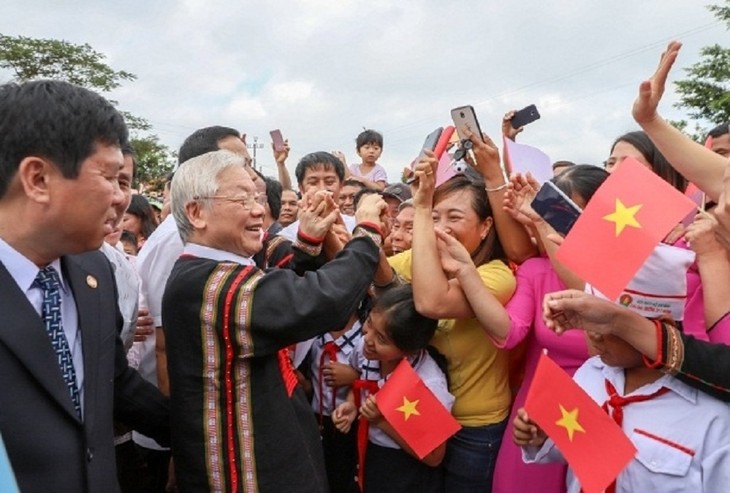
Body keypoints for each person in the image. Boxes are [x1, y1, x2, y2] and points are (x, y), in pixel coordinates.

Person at [162, 149, 388, 492]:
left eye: (257, 197)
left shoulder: (218, 273)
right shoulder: (211, 284)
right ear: (196, 212)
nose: (259, 209)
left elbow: (280, 299)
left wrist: (309, 244)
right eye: (242, 199)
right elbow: (320, 300)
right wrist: (368, 229)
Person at [0, 79, 169, 493]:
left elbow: (111, 381)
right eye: (110, 177)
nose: (121, 198)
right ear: (38, 178)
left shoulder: (94, 272)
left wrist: (203, 434)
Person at [383, 152, 517, 492]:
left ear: (486, 226)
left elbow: (432, 302)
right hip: (422, 411)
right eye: (436, 216)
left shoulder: (497, 275)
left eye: (453, 217)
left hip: (474, 428)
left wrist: (424, 209)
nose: (440, 228)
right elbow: (381, 270)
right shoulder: (425, 258)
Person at [514, 316, 730, 491]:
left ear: (661, 328)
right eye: (588, 320)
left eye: (606, 322)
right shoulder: (591, 373)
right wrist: (543, 437)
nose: (593, 333)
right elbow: (577, 449)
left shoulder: (713, 417)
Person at [333, 285, 453, 493]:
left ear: (409, 350)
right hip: (368, 458)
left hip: (404, 472)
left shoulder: (428, 383)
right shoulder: (366, 351)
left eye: (381, 339)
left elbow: (434, 456)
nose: (368, 339)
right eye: (369, 322)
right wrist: (352, 404)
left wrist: (381, 421)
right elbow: (359, 375)